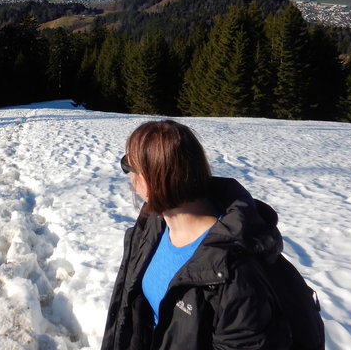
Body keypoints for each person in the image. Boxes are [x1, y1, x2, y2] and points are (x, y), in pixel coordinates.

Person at [101, 120, 292, 350]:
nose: (128, 177)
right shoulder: (154, 225)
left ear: (148, 182)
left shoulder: (234, 276)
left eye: (128, 167)